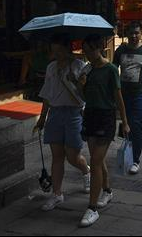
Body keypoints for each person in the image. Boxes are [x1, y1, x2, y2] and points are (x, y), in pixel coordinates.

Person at [32, 34, 90, 212]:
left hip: (73, 113)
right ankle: (57, 194)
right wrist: (42, 118)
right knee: (57, 156)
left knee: (72, 156)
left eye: (59, 51)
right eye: (53, 51)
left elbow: (84, 96)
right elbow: (47, 95)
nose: (56, 55)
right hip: (55, 114)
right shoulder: (51, 68)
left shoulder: (79, 66)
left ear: (67, 49)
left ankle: (86, 171)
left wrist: (74, 80)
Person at [78, 34, 129, 228]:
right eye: (84, 50)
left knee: (96, 161)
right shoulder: (87, 69)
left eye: (89, 50)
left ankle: (92, 208)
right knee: (96, 159)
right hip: (89, 115)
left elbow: (118, 96)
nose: (86, 54)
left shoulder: (110, 70)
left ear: (98, 48)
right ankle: (106, 190)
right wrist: (79, 84)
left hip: (106, 117)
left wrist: (124, 121)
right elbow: (83, 95)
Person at [113, 22, 142, 175]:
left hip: (139, 94)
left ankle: (135, 160)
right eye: (131, 33)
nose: (134, 36)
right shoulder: (120, 51)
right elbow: (113, 71)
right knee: (125, 123)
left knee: (136, 125)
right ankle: (128, 150)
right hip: (123, 94)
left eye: (137, 33)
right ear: (126, 34)